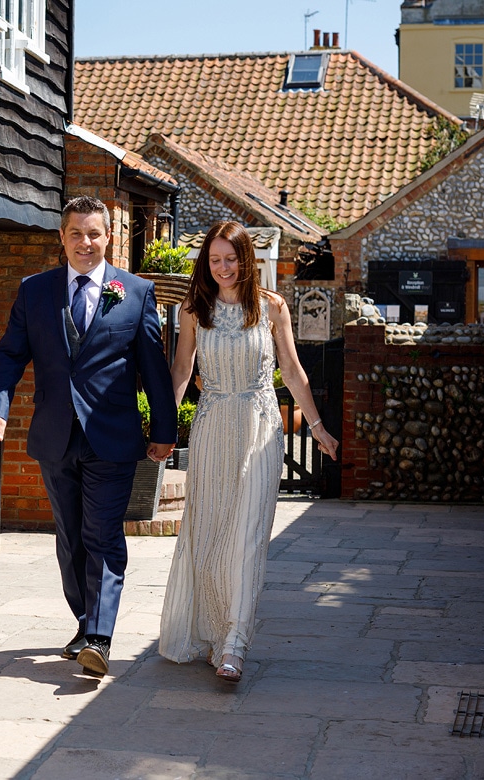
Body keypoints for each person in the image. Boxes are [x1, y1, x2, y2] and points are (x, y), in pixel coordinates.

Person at [0, 196, 176, 677]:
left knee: (103, 534)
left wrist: (165, 430)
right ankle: (86, 621)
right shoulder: (35, 292)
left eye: (94, 234)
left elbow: (153, 368)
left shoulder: (135, 292)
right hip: (54, 436)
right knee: (70, 538)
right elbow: (9, 355)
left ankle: (99, 638)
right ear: (62, 238)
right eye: (76, 234)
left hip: (113, 437)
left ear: (109, 237)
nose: (85, 243)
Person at [158, 221, 339, 683]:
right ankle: (216, 634)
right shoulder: (194, 312)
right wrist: (163, 427)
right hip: (213, 429)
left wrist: (317, 426)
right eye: (215, 260)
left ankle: (235, 642)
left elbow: (294, 374)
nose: (223, 268)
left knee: (249, 535)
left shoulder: (273, 307)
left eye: (231, 258)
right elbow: (181, 370)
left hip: (260, 428)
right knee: (213, 534)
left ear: (246, 259)